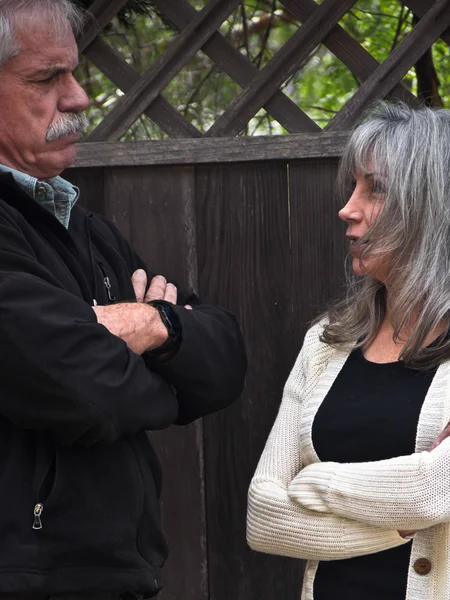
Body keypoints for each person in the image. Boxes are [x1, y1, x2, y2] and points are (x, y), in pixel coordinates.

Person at [0, 1, 247, 598]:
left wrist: (151, 324)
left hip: (110, 574)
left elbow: (226, 362)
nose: (79, 96)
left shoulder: (84, 226)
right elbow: (83, 393)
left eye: (74, 72)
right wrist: (165, 372)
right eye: (45, 78)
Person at [247, 102, 450, 600]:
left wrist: (313, 484)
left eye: (374, 188)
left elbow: (433, 491)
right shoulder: (325, 341)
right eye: (353, 187)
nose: (347, 207)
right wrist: (398, 523)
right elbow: (263, 517)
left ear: (431, 203)